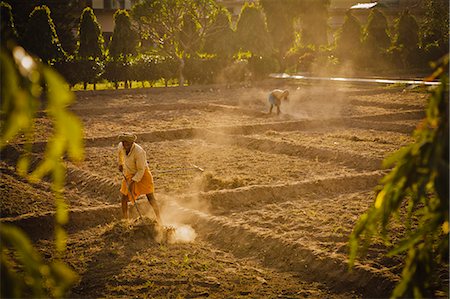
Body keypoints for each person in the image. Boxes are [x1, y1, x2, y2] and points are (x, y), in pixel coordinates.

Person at [117, 132, 162, 224]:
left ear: (132, 143)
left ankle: (159, 218)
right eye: (124, 143)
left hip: (143, 174)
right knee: (124, 198)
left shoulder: (139, 152)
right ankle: (125, 220)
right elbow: (120, 154)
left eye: (127, 144)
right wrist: (120, 164)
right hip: (129, 173)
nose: (125, 145)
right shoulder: (121, 146)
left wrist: (132, 182)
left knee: (150, 197)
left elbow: (141, 170)